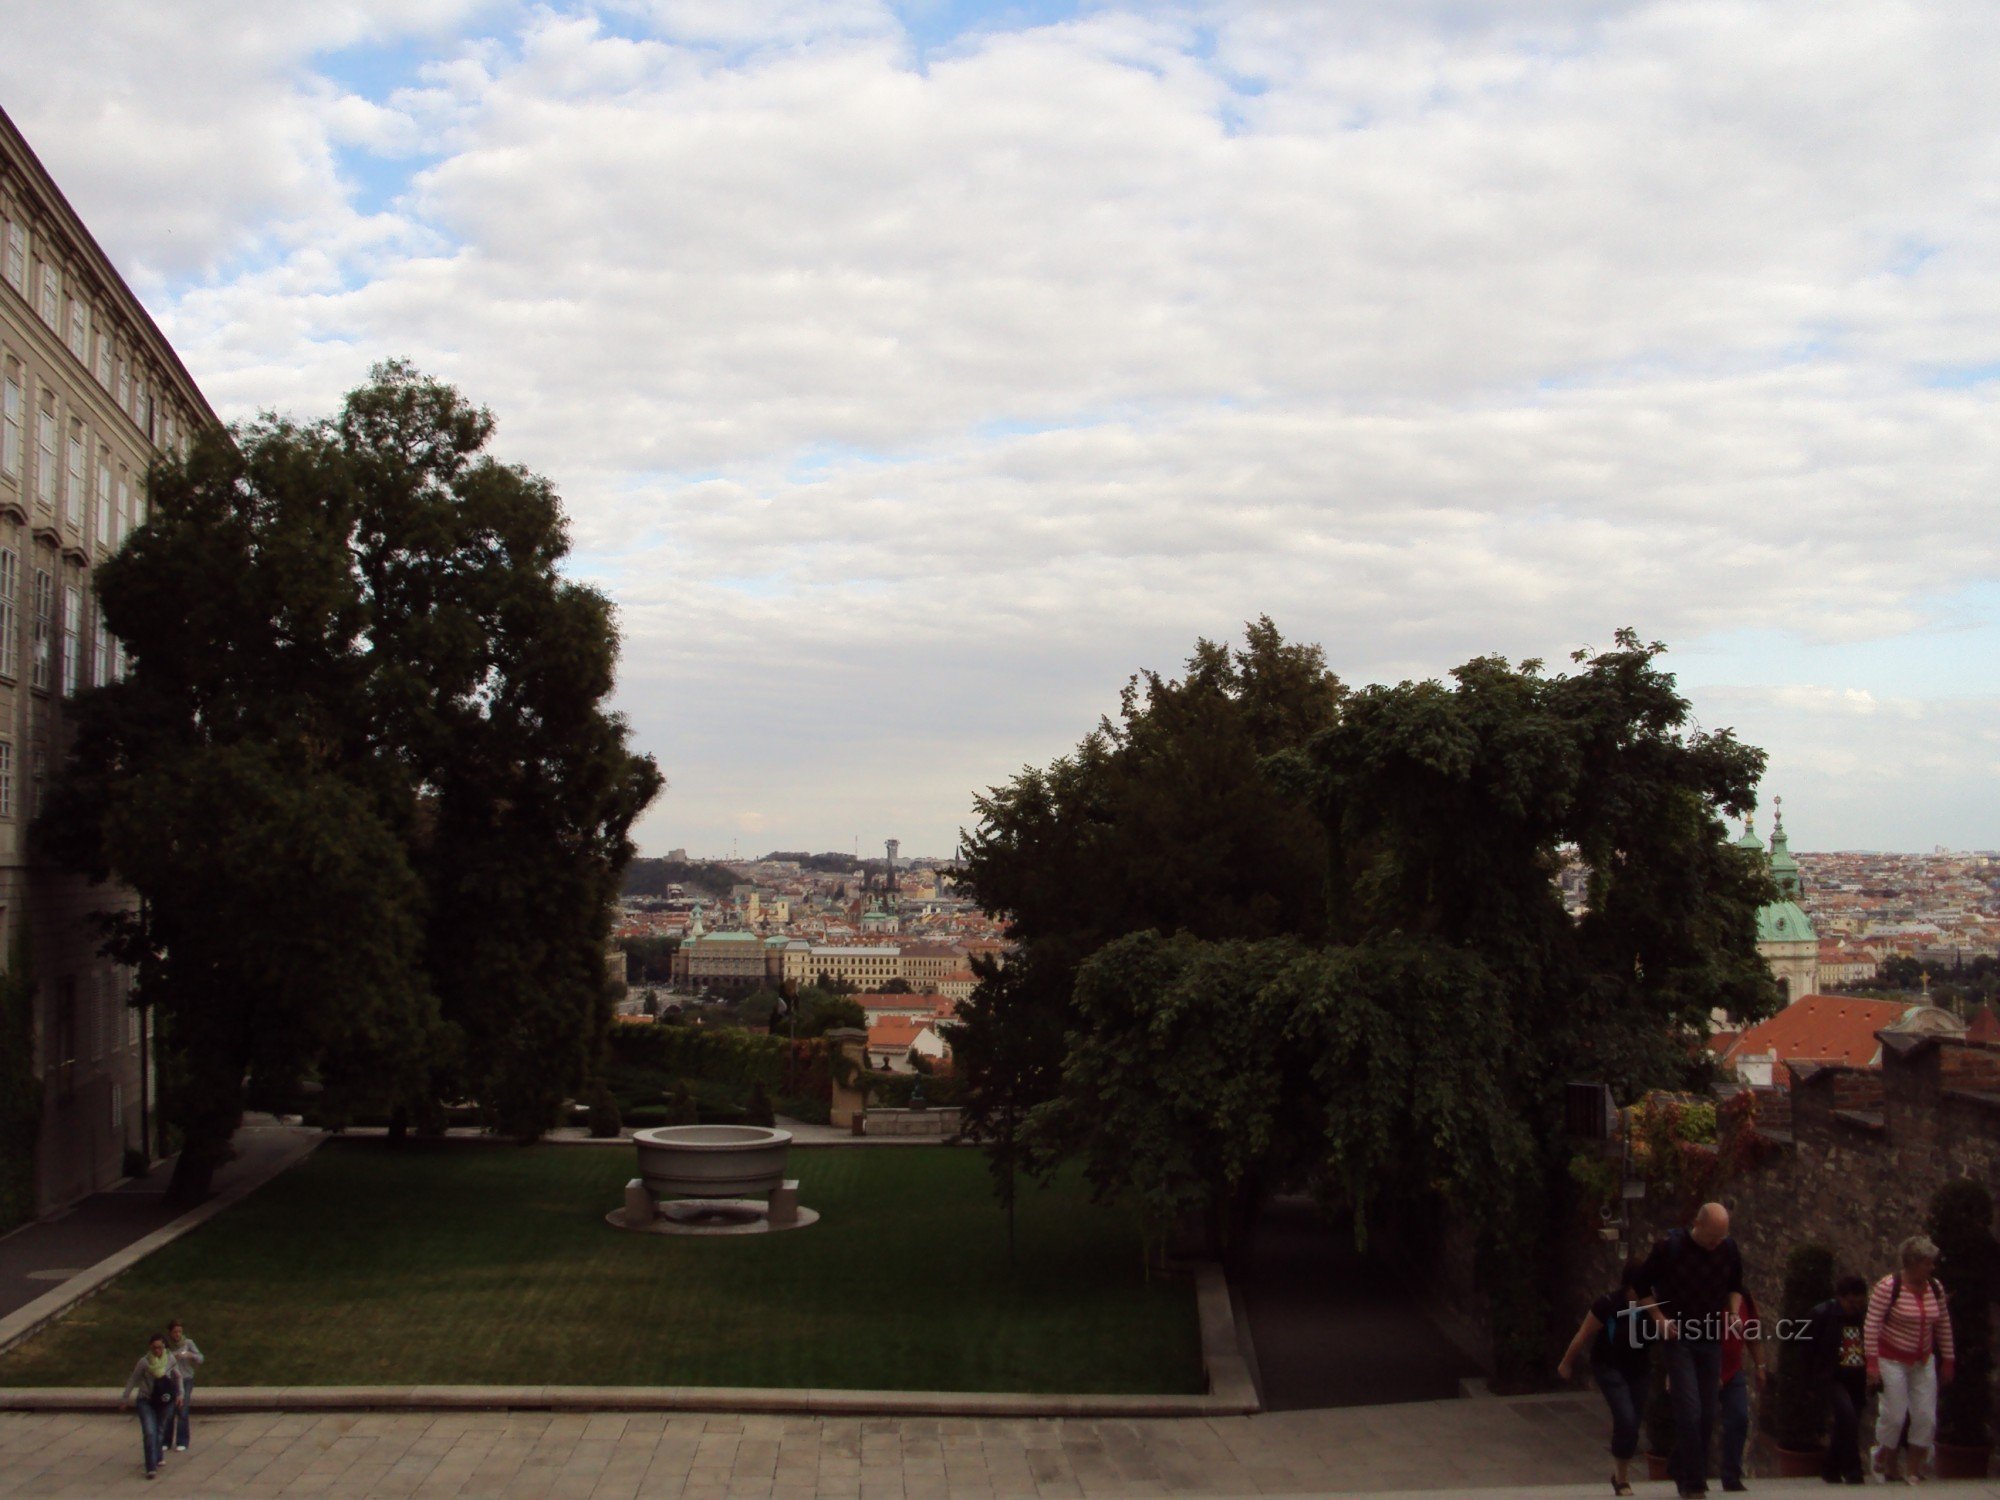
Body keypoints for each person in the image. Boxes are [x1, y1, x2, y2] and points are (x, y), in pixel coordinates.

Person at [1636, 1201, 1745, 1499]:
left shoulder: (1728, 1249)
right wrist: (1658, 1318)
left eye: (1721, 1237)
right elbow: (1640, 1285)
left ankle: (1678, 1464)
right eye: (1712, 1237)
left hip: (1711, 1335)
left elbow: (1736, 1285)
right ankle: (1693, 1483)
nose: (1715, 1244)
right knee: (1689, 1409)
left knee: (1708, 1411)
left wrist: (1733, 1312)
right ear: (1697, 1224)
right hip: (1678, 1336)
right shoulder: (1669, 1248)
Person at [1558, 1258, 1655, 1497]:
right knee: (1626, 1417)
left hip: (1639, 1369)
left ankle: (1620, 1472)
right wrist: (1566, 1362)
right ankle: (1622, 1479)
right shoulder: (1609, 1304)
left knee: (1633, 1423)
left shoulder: (1653, 1309)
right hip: (1609, 1367)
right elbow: (1584, 1333)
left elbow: (1665, 1342)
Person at [1866, 1235, 1955, 1484]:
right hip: (1891, 1359)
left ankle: (1914, 1469)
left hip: (1923, 1361)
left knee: (1925, 1416)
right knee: (1895, 1415)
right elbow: (1871, 1326)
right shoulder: (1888, 1287)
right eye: (1928, 1263)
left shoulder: (1935, 1287)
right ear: (1914, 1263)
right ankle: (1886, 1459)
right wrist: (1872, 1364)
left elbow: (1943, 1324)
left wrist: (1948, 1359)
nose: (1932, 1268)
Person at [1805, 1274, 1870, 1485]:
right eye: (1851, 1302)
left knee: (1848, 1422)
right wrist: (1810, 1382)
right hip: (1832, 1376)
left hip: (1856, 1377)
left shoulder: (1864, 1316)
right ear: (1841, 1298)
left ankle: (1831, 1468)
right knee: (1847, 1415)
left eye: (1859, 1303)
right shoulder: (1822, 1314)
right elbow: (1808, 1350)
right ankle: (1853, 1470)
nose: (1855, 1307)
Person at [1718, 1286, 1767, 1492]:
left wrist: (1760, 1366)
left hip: (1733, 1371)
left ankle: (1731, 1474)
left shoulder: (1746, 1300)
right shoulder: (1707, 1296)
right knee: (1696, 1421)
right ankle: (1684, 1467)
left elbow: (1752, 1335)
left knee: (1739, 1418)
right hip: (1705, 1370)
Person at [119, 1333, 181, 1480]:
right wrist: (125, 1398)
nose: (157, 1351)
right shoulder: (144, 1362)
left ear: (164, 1347)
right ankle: (151, 1466)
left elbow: (177, 1376)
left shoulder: (170, 1359)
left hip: (163, 1400)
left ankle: (158, 1454)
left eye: (160, 1347)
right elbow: (133, 1379)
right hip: (146, 1400)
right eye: (154, 1348)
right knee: (149, 1432)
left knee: (159, 1430)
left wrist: (180, 1394)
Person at [165, 1317, 204, 1453]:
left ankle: (182, 1440)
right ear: (170, 1333)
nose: (177, 1334)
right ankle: (166, 1441)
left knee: (183, 1409)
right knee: (169, 1411)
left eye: (179, 1332)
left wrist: (190, 1355)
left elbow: (200, 1358)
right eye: (175, 1332)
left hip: (186, 1378)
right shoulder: (166, 1345)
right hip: (171, 1380)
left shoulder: (188, 1343)